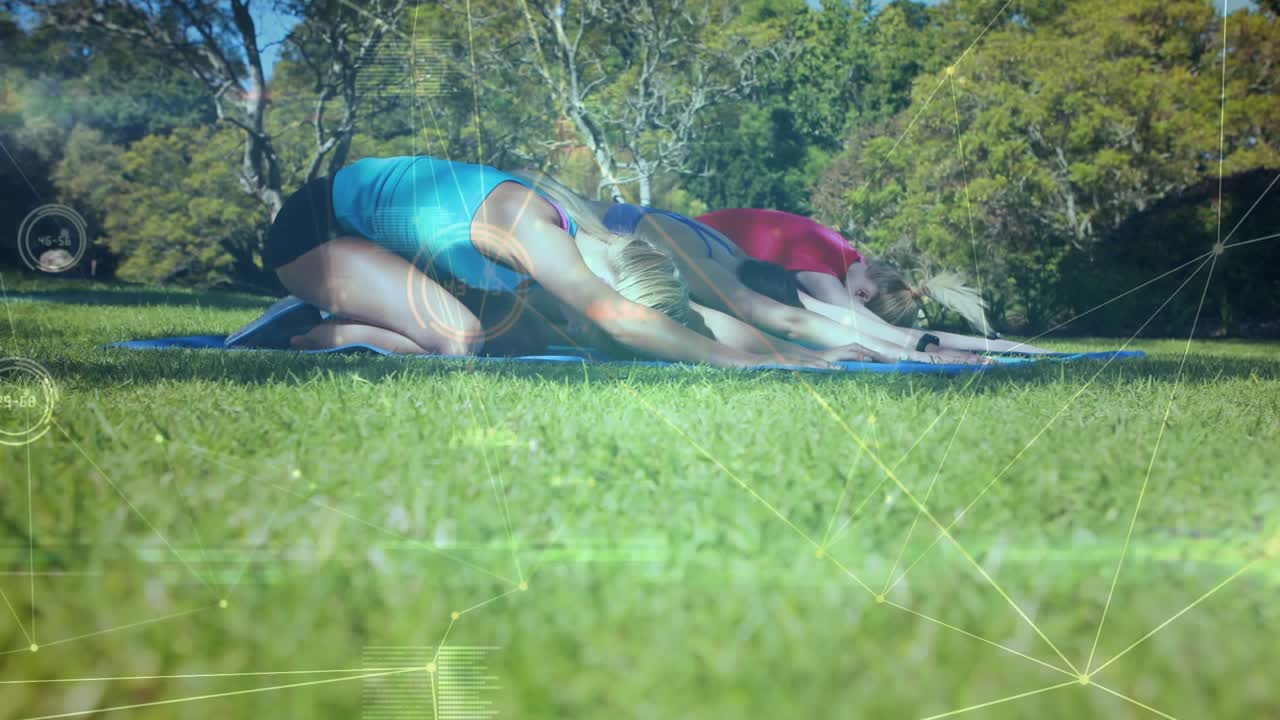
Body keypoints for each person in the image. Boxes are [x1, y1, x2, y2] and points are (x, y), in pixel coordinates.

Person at [250, 155, 843, 369]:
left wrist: (791, 352)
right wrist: (737, 366)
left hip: (382, 247)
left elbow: (690, 318)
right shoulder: (534, 230)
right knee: (461, 338)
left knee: (523, 335)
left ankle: (358, 307)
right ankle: (318, 328)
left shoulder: (576, 236)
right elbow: (617, 317)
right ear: (611, 276)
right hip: (313, 234)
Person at [508, 172, 1018, 363]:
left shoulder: (675, 248)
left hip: (672, 237)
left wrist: (912, 350)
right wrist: (911, 350)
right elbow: (802, 318)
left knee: (770, 321)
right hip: (689, 242)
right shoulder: (759, 264)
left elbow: (799, 319)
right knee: (775, 320)